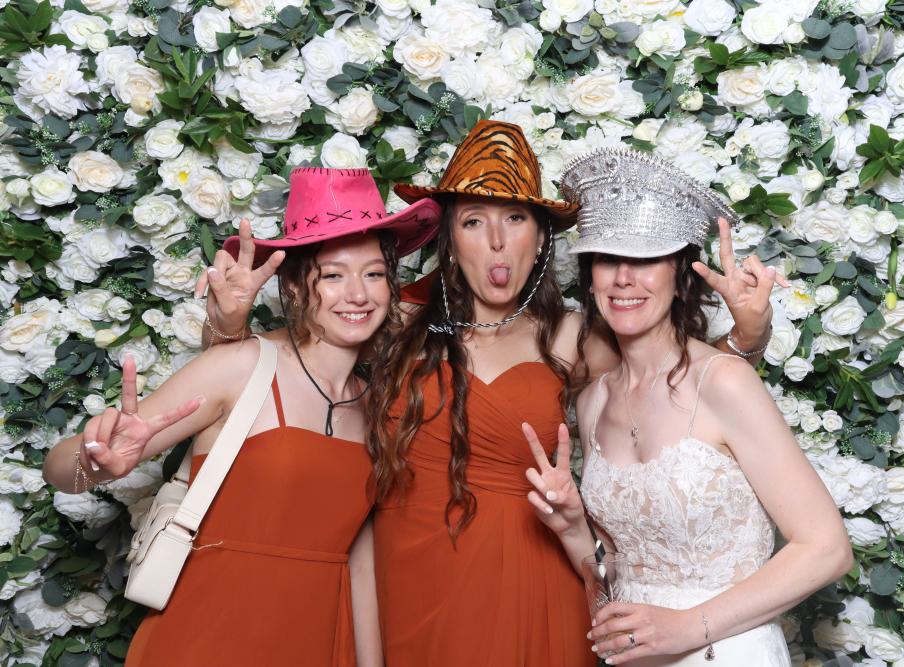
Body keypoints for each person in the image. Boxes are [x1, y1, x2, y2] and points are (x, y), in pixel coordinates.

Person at [202, 121, 779, 666]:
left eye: (516, 219)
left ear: (543, 237)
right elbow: (282, 362)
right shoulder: (395, 323)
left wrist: (748, 336)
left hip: (529, 579)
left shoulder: (574, 337)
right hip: (407, 581)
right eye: (475, 221)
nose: (497, 243)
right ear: (450, 238)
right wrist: (227, 326)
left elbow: (674, 385)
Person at [43, 168, 441, 666]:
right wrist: (93, 462)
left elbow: (359, 560)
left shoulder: (379, 402)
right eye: (333, 275)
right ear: (293, 285)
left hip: (320, 639)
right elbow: (59, 470)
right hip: (210, 636)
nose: (358, 294)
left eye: (374, 274)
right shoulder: (241, 364)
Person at [523, 147, 853, 666]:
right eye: (608, 258)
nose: (624, 278)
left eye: (646, 259)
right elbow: (616, 572)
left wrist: (686, 627)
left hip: (729, 652)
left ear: (680, 274)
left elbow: (827, 548)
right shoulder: (592, 402)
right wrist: (570, 526)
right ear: (590, 275)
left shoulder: (725, 381)